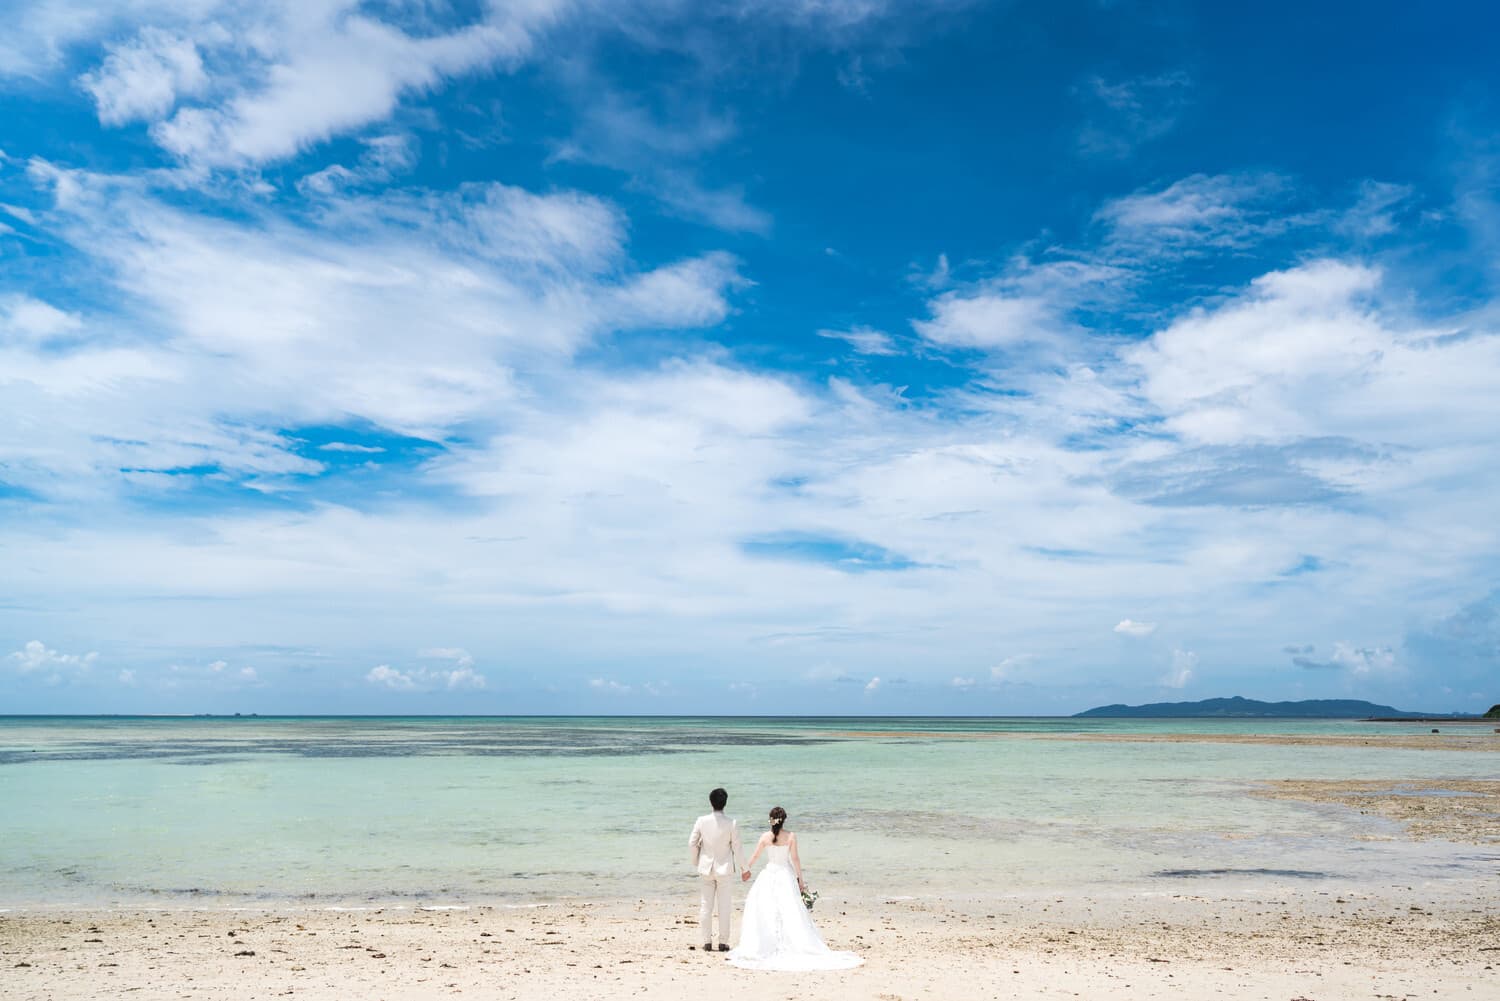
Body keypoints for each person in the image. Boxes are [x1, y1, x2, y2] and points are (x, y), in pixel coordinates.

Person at [727, 806, 863, 971]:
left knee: (766, 909)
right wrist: (800, 881)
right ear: (783, 820)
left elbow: (755, 856)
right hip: (785, 874)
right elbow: (795, 859)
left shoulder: (764, 837)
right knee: (790, 910)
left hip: (769, 874)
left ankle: (766, 943)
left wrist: (746, 870)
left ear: (770, 820)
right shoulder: (791, 836)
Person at [688, 787, 742, 952]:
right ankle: (723, 942)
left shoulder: (701, 820)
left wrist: (696, 860)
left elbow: (692, 843)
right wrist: (744, 868)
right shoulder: (731, 823)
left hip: (706, 868)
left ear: (711, 802)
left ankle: (706, 942)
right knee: (724, 906)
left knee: (706, 905)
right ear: (725, 803)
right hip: (724, 869)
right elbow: (737, 848)